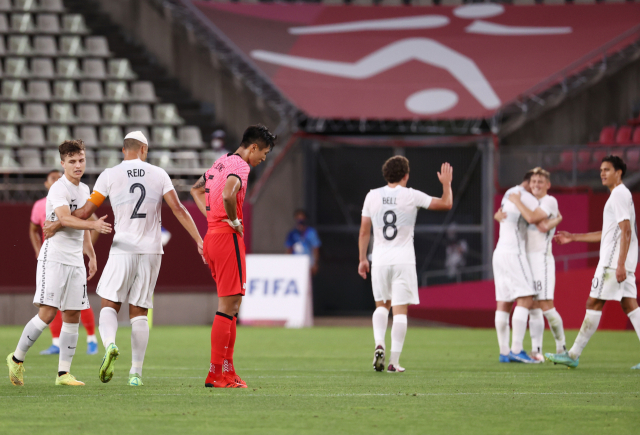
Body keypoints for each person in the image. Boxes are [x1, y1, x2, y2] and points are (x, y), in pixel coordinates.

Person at [44, 131, 204, 387]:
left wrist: (57, 224)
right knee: (139, 311)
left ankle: (110, 345)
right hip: (152, 251)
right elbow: (178, 208)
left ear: (123, 150)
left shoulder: (110, 175)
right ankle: (136, 373)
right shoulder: (159, 174)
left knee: (109, 304)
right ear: (144, 149)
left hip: (122, 248)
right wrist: (199, 240)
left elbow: (85, 212)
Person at [6, 140, 112, 387]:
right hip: (53, 257)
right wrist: (92, 225)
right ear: (62, 163)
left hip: (75, 260)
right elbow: (66, 217)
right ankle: (16, 358)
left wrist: (91, 255)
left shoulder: (85, 189)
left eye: (81, 160)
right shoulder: (58, 189)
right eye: (72, 161)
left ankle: (63, 374)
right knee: (47, 313)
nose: (77, 165)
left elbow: (76, 224)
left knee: (73, 314)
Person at [191, 124, 276, 388]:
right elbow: (228, 193)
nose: (263, 158)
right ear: (253, 147)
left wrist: (213, 220)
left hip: (212, 237)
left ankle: (227, 371)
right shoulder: (240, 166)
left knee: (232, 306)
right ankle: (215, 373)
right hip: (227, 238)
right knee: (228, 307)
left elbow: (195, 189)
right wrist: (233, 219)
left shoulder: (220, 162)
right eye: (263, 153)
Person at [358, 156, 453, 373]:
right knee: (400, 312)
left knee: (382, 306)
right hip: (404, 260)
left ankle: (378, 344)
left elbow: (364, 231)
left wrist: (363, 258)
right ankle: (393, 362)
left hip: (380, 259)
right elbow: (446, 203)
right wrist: (446, 184)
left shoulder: (372, 196)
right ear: (406, 175)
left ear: (385, 174)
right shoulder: (411, 195)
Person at [547, 156, 640, 369]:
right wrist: (574, 237)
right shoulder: (621, 195)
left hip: (612, 262)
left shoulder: (618, 194)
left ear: (619, 172)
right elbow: (610, 233)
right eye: (601, 170)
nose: (602, 173)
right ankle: (573, 354)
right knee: (630, 306)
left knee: (593, 303)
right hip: (621, 260)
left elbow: (626, 232)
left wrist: (620, 264)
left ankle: (573, 354)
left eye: (607, 169)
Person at [30, 170, 100, 356]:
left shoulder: (80, 191)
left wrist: (89, 252)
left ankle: (91, 340)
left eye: (56, 177)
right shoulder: (41, 204)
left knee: (76, 307)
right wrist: (38, 249)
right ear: (46, 184)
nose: (55, 181)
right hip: (54, 255)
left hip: (74, 256)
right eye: (51, 178)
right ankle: (45, 347)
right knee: (50, 308)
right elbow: (34, 229)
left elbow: (85, 219)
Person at [506, 168, 565, 361]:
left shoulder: (549, 201)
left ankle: (561, 348)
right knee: (532, 306)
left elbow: (535, 221)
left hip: (541, 260)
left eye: (540, 182)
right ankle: (536, 351)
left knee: (546, 305)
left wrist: (517, 201)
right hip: (526, 259)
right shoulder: (531, 203)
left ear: (547, 185)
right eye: (533, 182)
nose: (536, 185)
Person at [492, 170, 542, 364]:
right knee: (526, 298)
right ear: (529, 182)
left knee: (503, 302)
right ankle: (517, 349)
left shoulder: (509, 192)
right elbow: (536, 218)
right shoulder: (525, 196)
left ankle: (504, 352)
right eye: (536, 182)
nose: (538, 186)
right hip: (515, 252)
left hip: (500, 252)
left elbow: (502, 215)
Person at [285, 209, 321, 275]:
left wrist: (315, 264)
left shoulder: (311, 232)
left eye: (302, 218)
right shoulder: (292, 233)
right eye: (298, 218)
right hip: (295, 263)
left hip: (308, 263)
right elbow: (289, 249)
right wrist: (287, 263)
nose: (300, 220)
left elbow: (315, 249)